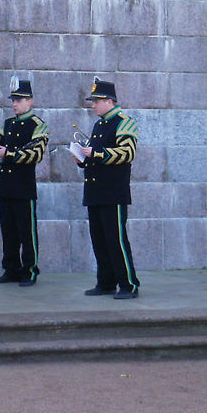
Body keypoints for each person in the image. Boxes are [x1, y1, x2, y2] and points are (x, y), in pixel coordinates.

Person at [75, 77, 140, 299]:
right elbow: (96, 154)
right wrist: (83, 159)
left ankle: (128, 284)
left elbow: (127, 153)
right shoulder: (99, 124)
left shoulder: (124, 121)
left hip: (113, 192)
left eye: (96, 101)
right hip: (96, 191)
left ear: (109, 101)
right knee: (99, 239)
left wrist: (97, 154)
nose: (93, 105)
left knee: (116, 239)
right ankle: (106, 282)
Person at [0, 79, 49, 287]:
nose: (15, 104)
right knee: (8, 232)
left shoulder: (37, 125)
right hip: (6, 185)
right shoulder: (9, 124)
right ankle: (10, 269)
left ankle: (30, 270)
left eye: (19, 100)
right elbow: (0, 148)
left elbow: (35, 154)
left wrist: (9, 153)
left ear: (29, 101)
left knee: (26, 232)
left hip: (23, 187)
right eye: (13, 100)